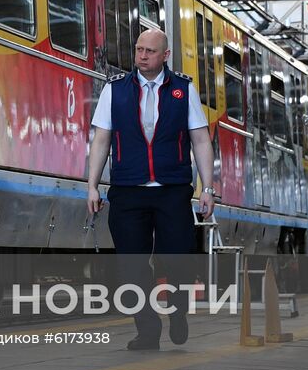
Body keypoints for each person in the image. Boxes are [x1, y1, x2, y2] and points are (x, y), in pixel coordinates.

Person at [86, 28, 216, 350]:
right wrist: (92, 186)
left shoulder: (183, 89)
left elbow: (201, 140)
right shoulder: (115, 90)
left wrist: (207, 188)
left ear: (165, 55)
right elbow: (101, 140)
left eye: (150, 51)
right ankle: (147, 330)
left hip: (172, 190)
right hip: (128, 190)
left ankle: (178, 311)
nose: (142, 56)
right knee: (131, 266)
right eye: (139, 49)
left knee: (177, 259)